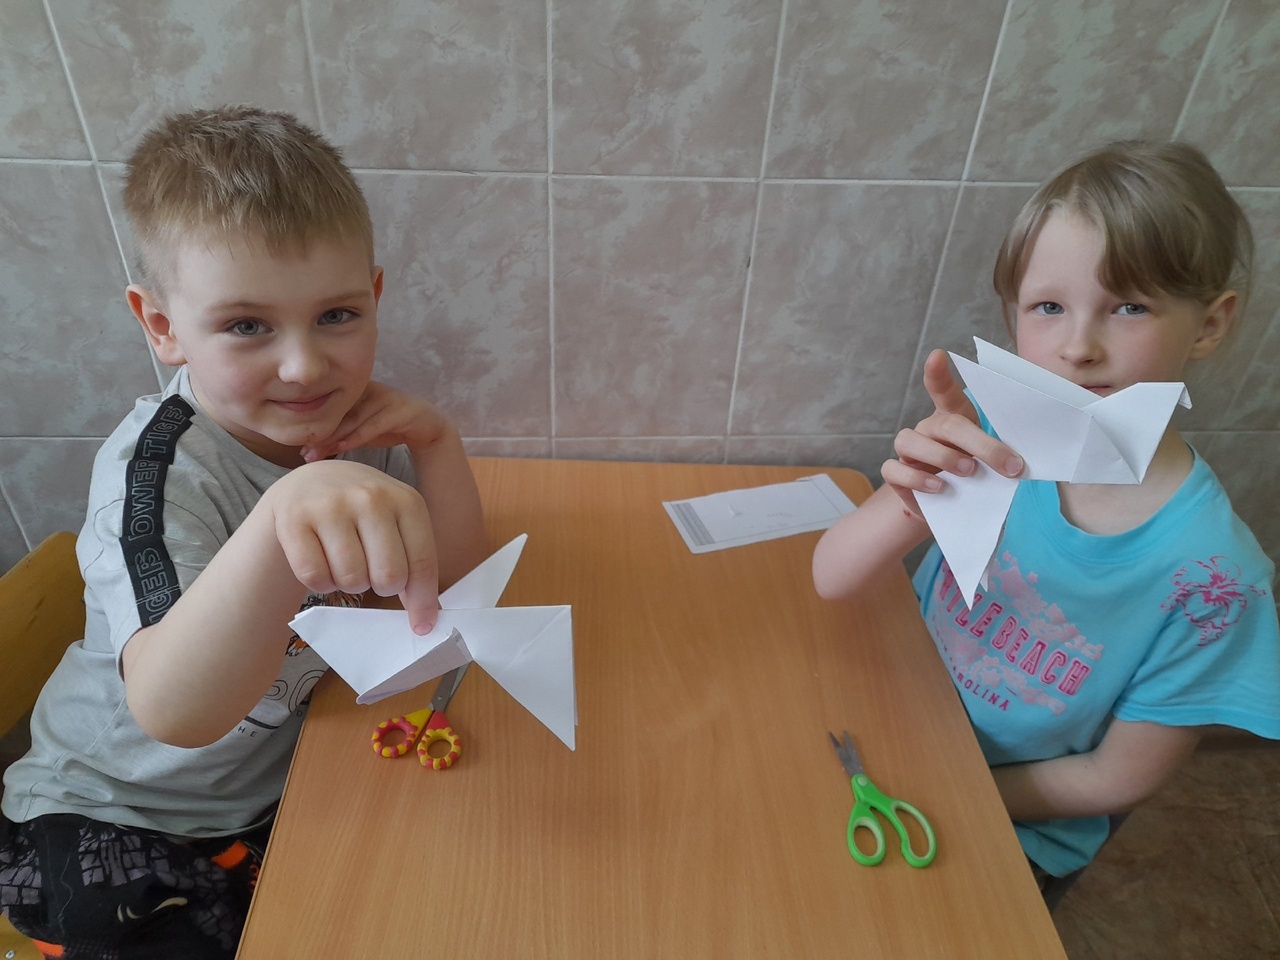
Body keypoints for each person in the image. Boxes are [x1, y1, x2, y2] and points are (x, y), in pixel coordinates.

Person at [0, 105, 488, 957]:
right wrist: (279, 519)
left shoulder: (356, 426)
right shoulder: (156, 476)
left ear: (373, 298)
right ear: (162, 326)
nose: (304, 366)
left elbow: (449, 591)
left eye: (336, 316)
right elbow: (176, 713)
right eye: (246, 326)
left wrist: (436, 442)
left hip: (265, 793)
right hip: (111, 809)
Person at [812, 141, 1280, 886]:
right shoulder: (992, 437)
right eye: (1049, 307)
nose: (1078, 347)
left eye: (1130, 306)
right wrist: (912, 501)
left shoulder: (1218, 580)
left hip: (1014, 822)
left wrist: (952, 793)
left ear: (1210, 324)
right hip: (896, 726)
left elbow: (1117, 777)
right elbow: (833, 579)